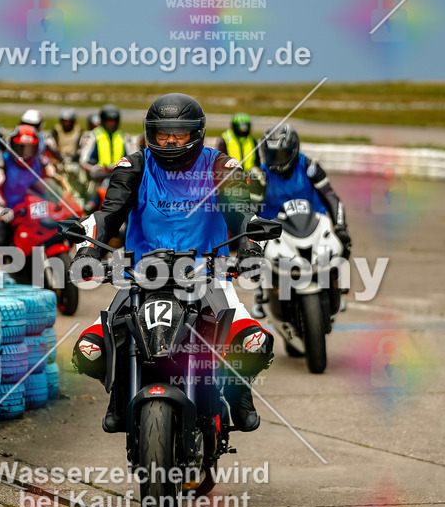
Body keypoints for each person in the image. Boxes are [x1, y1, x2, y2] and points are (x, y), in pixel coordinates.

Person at [64, 93, 274, 434]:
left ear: (197, 134)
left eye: (180, 132)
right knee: (91, 347)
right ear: (151, 134)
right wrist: (88, 254)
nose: (172, 140)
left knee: (251, 340)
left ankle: (239, 394)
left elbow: (241, 214)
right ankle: (119, 396)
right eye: (163, 133)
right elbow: (107, 215)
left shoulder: (221, 166)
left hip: (208, 271)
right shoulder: (133, 166)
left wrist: (249, 250)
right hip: (141, 274)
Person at [251, 123, 351, 315]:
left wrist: (340, 226)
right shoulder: (260, 175)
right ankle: (262, 291)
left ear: (294, 151)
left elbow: (331, 197)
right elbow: (249, 210)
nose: (275, 161)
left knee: (343, 242)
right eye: (271, 155)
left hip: (313, 223)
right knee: (254, 252)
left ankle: (336, 286)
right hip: (276, 229)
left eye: (280, 155)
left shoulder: (309, 167)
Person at [0, 123, 56, 262]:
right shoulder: (2, 161)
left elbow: (55, 183)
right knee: (1, 235)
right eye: (21, 148)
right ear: (12, 145)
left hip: (34, 210)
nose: (25, 152)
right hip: (8, 210)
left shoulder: (41, 161)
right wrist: (1, 207)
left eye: (29, 148)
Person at [79, 104, 127, 176]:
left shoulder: (123, 137)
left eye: (113, 121)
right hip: (98, 177)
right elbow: (83, 161)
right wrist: (95, 169)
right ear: (103, 121)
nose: (111, 124)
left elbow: (132, 160)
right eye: (109, 121)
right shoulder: (92, 136)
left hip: (119, 176)